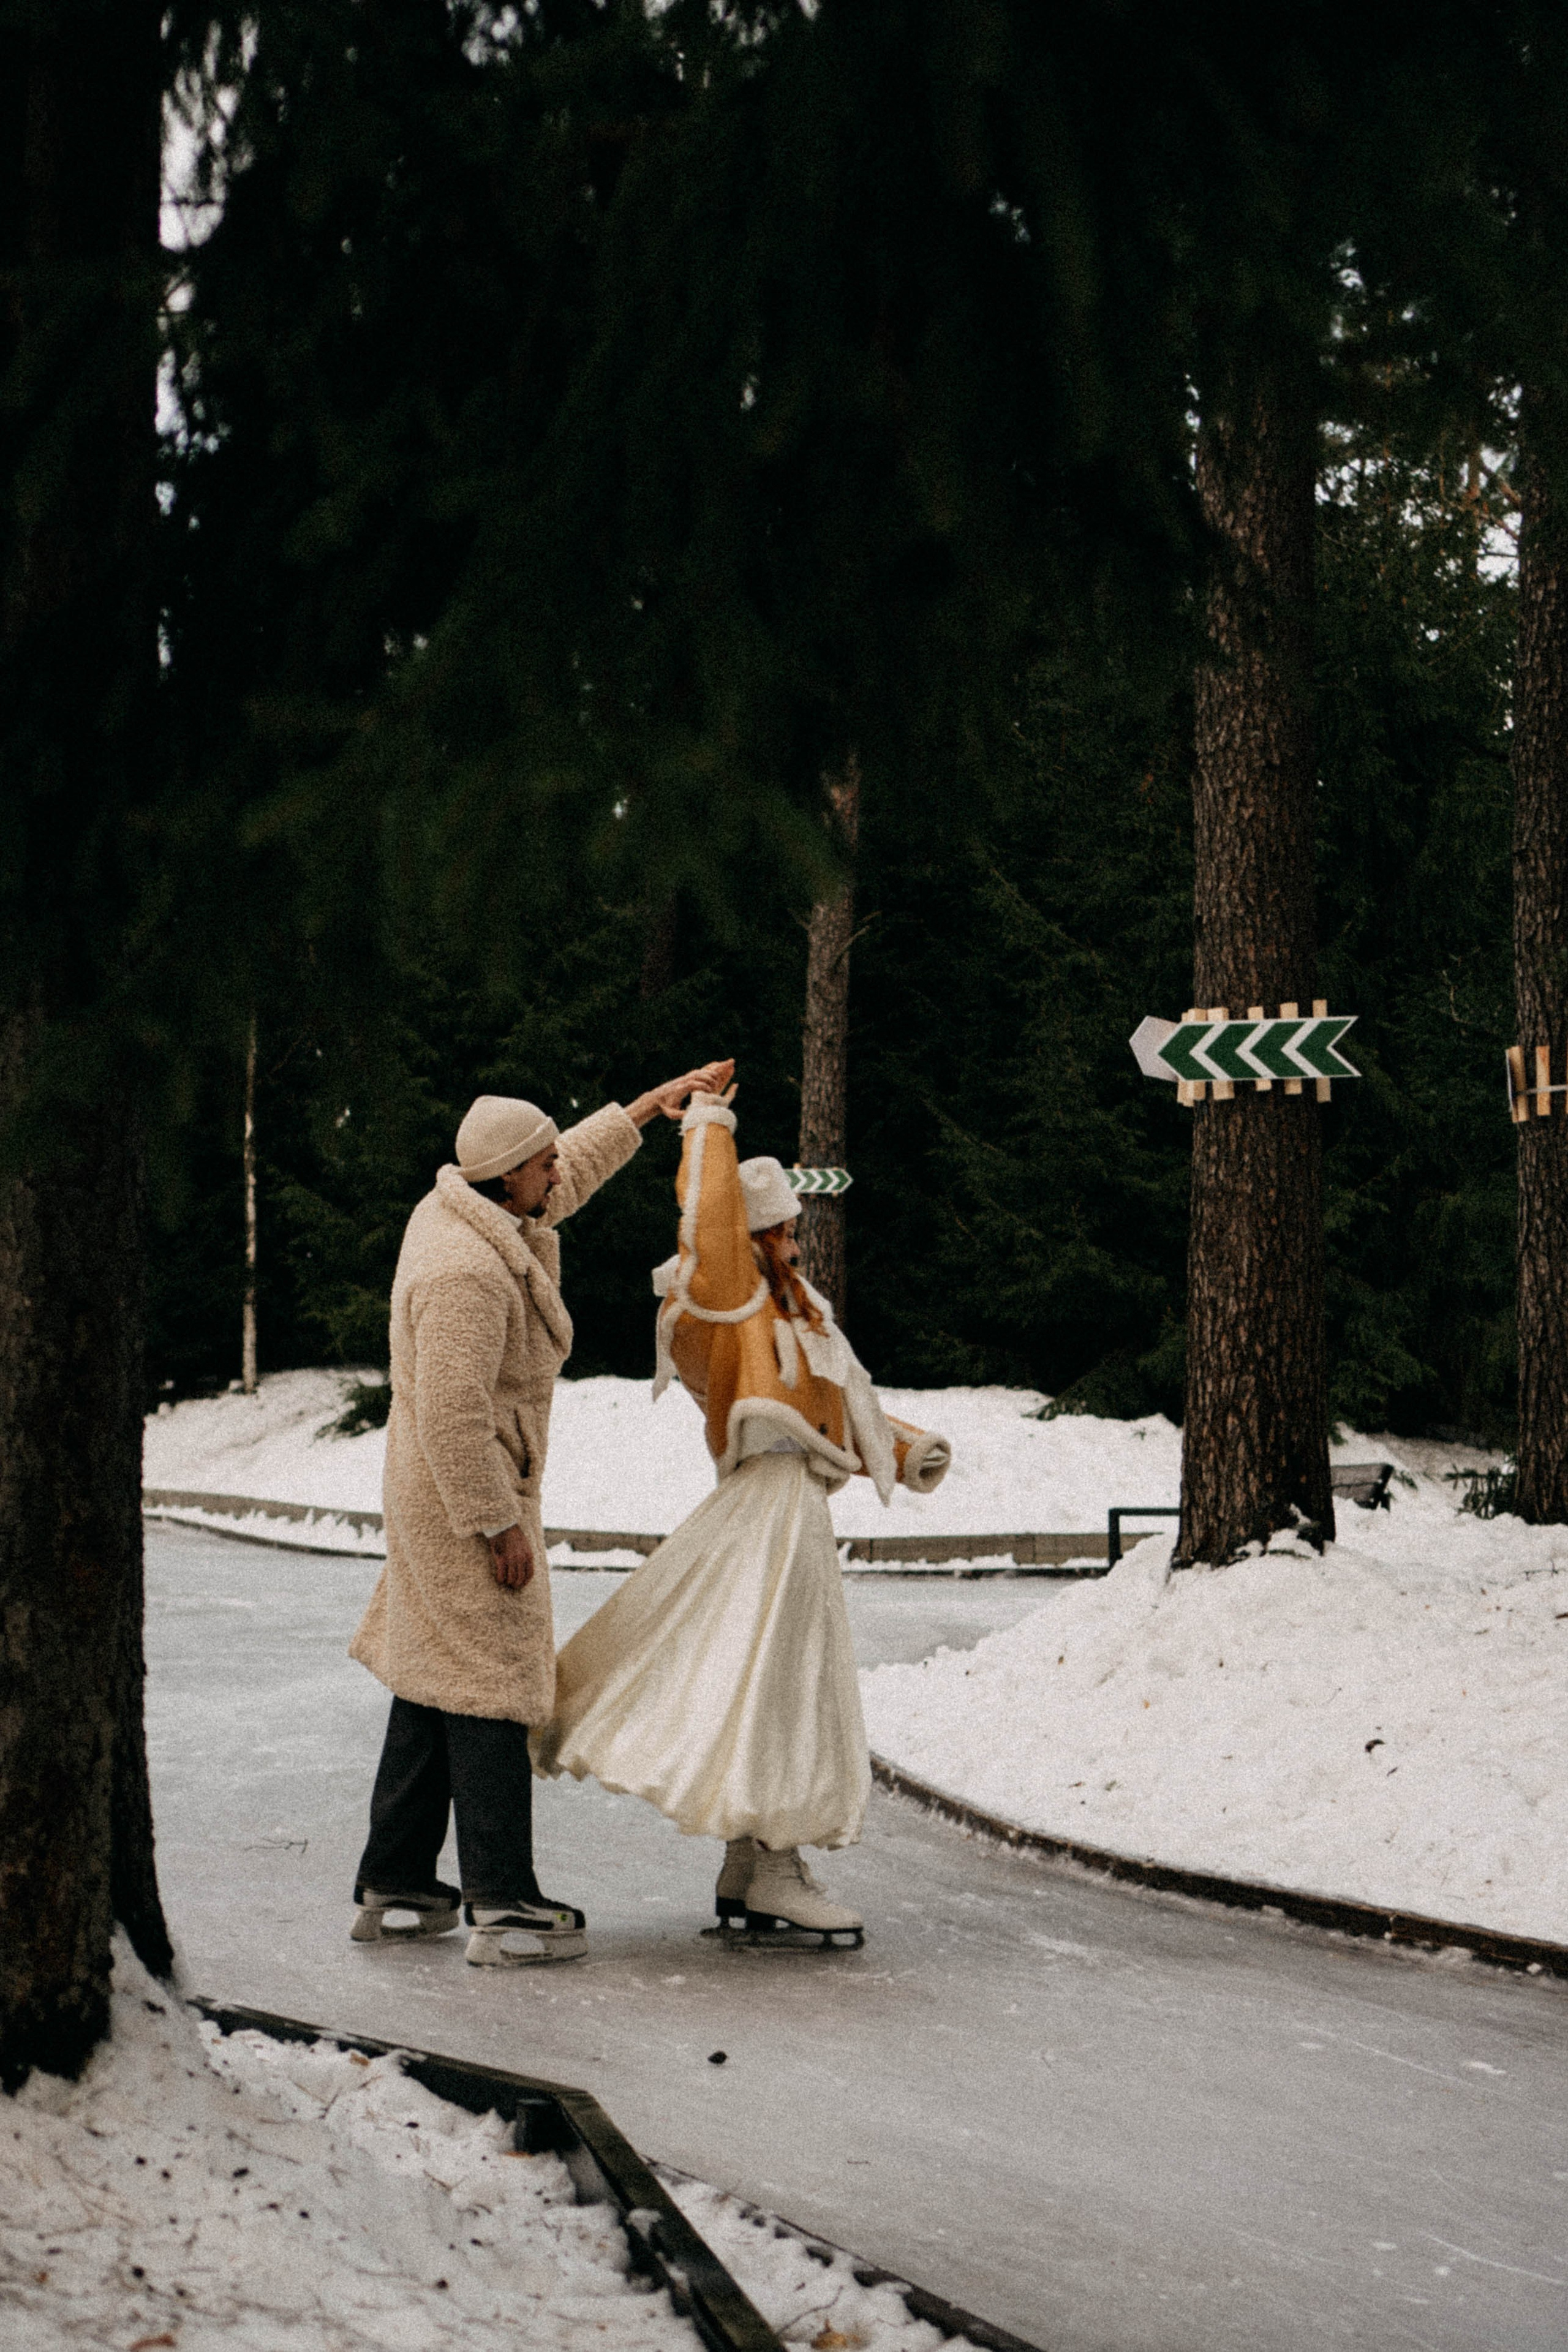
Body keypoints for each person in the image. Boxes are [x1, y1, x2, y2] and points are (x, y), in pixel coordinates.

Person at [531, 1084, 951, 1947]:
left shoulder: (792, 1310)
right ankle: (773, 1863)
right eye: (784, 1230)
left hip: (788, 1512)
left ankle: (751, 1863)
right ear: (753, 1236)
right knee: (781, 1689)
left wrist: (904, 1452)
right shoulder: (725, 1297)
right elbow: (712, 1222)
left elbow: (835, 1401)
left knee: (772, 1686)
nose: (797, 1242)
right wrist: (706, 1123)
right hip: (765, 1511)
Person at [348, 1060, 732, 1968]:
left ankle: (396, 1877)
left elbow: (568, 1176)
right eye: (542, 1163)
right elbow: (452, 1413)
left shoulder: (471, 1211)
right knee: (490, 1683)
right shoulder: (467, 1273)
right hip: (460, 1492)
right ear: (508, 1175)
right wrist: (497, 1524)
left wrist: (646, 1109)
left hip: (440, 1483)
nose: (555, 1171)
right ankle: (503, 1901)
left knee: (434, 1673)